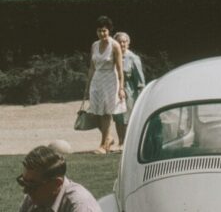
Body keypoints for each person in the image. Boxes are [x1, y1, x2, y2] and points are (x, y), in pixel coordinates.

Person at [83, 16, 125, 154]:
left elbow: (119, 69)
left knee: (106, 113)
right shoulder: (94, 45)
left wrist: (121, 88)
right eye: (100, 31)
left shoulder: (115, 45)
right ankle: (109, 137)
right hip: (97, 80)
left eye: (105, 31)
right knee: (95, 113)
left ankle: (103, 145)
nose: (102, 34)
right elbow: (92, 67)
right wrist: (87, 86)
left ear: (109, 30)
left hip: (110, 81)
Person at [17, 145, 101, 212]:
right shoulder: (33, 198)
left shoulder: (81, 205)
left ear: (57, 184)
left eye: (33, 185)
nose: (25, 191)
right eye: (23, 182)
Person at [112, 32, 146, 148]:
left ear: (128, 43)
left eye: (124, 41)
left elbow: (140, 80)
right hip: (114, 90)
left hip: (129, 91)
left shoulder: (133, 58)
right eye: (119, 41)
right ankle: (120, 141)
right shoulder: (112, 56)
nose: (122, 44)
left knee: (126, 118)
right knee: (117, 118)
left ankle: (127, 144)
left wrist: (141, 95)